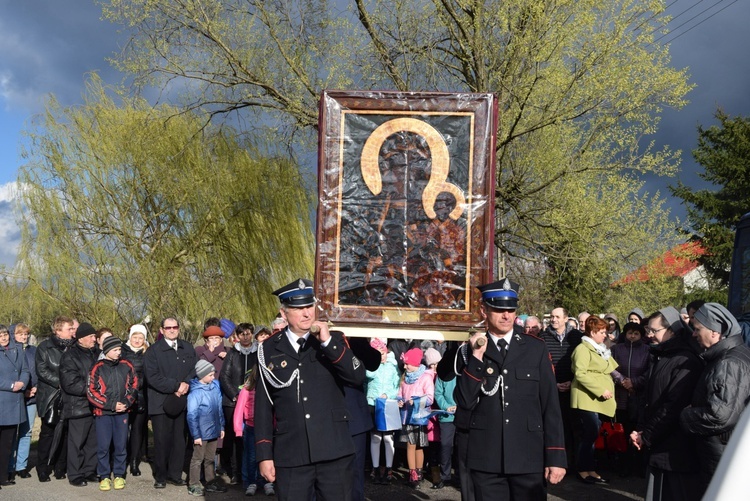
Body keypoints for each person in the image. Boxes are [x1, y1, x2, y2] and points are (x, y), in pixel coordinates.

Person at [255, 278, 366, 501]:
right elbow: (263, 407)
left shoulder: (333, 341)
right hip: (292, 454)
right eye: (298, 308)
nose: (307, 313)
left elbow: (357, 377)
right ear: (284, 313)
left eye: (309, 306)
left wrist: (327, 343)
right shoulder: (268, 349)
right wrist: (264, 455)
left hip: (334, 450)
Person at [455, 278, 566, 500]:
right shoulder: (469, 350)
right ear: (484, 310)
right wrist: (476, 359)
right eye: (498, 309)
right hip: (487, 458)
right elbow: (464, 401)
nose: (506, 315)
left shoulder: (535, 348)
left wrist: (555, 458)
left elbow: (550, 406)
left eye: (510, 309)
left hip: (528, 456)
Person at [630, 307, 702, 501]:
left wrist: (648, 435)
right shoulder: (660, 355)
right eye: (648, 330)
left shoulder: (686, 360)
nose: (649, 335)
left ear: (671, 330)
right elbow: (649, 398)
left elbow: (673, 405)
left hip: (675, 451)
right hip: (657, 443)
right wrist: (641, 430)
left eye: (654, 331)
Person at [680, 303, 750, 497]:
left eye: (697, 329)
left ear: (714, 332)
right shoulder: (729, 354)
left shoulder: (728, 362)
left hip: (720, 452)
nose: (694, 334)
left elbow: (720, 415)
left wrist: (686, 415)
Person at [144, 317, 197, 489]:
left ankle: (175, 475)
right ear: (162, 330)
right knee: (161, 441)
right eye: (168, 328)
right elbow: (152, 377)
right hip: (161, 403)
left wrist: (185, 385)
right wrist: (175, 386)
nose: (172, 330)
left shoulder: (187, 347)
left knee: (179, 440)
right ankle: (160, 476)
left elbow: (194, 369)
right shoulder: (153, 351)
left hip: (182, 401)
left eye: (175, 327)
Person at [570, 316, 618, 484]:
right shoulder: (582, 349)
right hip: (587, 398)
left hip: (595, 398)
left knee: (592, 434)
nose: (605, 335)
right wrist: (600, 390)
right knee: (588, 434)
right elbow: (580, 374)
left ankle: (590, 469)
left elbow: (611, 368)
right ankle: (583, 469)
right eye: (602, 332)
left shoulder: (599, 348)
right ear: (592, 332)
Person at [87, 336, 138, 491]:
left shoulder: (126, 365)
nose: (118, 353)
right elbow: (91, 391)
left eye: (119, 349)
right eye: (115, 350)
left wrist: (127, 403)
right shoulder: (98, 367)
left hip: (122, 412)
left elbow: (134, 385)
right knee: (103, 446)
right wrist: (110, 405)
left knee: (121, 445)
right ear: (107, 351)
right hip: (103, 413)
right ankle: (103, 476)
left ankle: (119, 474)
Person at [35, 316, 77, 482]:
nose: (73, 332)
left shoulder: (74, 347)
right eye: (69, 329)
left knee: (66, 432)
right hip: (51, 395)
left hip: (70, 395)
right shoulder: (44, 347)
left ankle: (60, 467)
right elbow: (42, 370)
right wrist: (61, 383)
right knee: (48, 433)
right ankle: (43, 467)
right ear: (58, 331)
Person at [540, 306, 582, 465]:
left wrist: (573, 381)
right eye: (552, 316)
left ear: (566, 318)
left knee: (573, 427)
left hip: (574, 387)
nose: (554, 320)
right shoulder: (543, 337)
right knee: (554, 426)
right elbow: (542, 364)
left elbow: (582, 362)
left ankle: (572, 463)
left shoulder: (577, 337)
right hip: (552, 388)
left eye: (557, 317)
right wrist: (553, 384)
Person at [60, 322, 100, 487]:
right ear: (81, 338)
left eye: (94, 336)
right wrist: (93, 391)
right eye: (91, 337)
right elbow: (70, 383)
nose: (94, 339)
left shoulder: (98, 353)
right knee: (77, 442)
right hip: (78, 405)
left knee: (93, 441)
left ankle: (89, 470)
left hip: (96, 406)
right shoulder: (70, 356)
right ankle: (75, 474)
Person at [219, 322, 258, 487]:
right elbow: (224, 376)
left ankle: (254, 474)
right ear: (238, 336)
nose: (246, 337)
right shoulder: (233, 353)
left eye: (248, 334)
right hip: (233, 402)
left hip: (254, 401)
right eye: (242, 334)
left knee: (253, 438)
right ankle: (236, 473)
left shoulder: (259, 352)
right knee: (236, 438)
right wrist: (235, 395)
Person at [610, 321, 650, 475]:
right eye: (630, 333)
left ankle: (637, 466)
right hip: (620, 397)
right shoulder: (616, 349)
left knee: (637, 431)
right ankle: (621, 465)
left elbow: (649, 372)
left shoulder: (647, 351)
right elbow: (610, 368)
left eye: (636, 333)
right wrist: (623, 382)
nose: (632, 336)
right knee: (621, 431)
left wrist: (634, 382)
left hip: (638, 397)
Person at [187, 359, 228, 496]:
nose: (213, 377)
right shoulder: (195, 393)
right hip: (201, 432)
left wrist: (221, 426)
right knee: (197, 459)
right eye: (210, 375)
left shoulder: (214, 388)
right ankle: (194, 483)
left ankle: (210, 481)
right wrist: (196, 435)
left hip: (214, 430)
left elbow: (219, 410)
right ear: (201, 375)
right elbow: (191, 415)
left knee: (211, 458)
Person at [234, 364, 274, 496]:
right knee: (251, 456)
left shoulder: (270, 389)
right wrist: (238, 429)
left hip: (267, 427)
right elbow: (239, 410)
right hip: (251, 427)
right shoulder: (246, 390)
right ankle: (251, 481)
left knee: (267, 455)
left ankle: (267, 481)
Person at [397, 347, 434, 489]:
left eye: (407, 364)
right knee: (410, 445)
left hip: (419, 417)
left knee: (419, 446)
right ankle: (413, 473)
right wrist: (400, 400)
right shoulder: (405, 378)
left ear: (415, 364)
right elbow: (400, 392)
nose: (405, 366)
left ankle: (418, 472)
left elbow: (430, 398)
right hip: (407, 416)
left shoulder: (425, 377)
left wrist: (417, 401)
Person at [365, 338, 400, 485]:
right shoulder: (371, 367)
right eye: (378, 354)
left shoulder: (393, 367)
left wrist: (389, 395)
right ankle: (375, 467)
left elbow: (397, 385)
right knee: (375, 438)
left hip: (388, 404)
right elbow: (367, 377)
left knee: (388, 438)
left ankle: (389, 469)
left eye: (383, 353)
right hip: (373, 403)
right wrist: (374, 364)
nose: (382, 357)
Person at [0, 324, 30, 490]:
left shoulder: (16, 350)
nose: (4, 338)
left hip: (13, 403)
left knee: (7, 443)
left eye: (5, 334)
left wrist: (22, 383)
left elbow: (25, 370)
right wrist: (12, 385)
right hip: (2, 399)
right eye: (0, 336)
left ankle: (3, 476)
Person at [9, 323, 37, 480]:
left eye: (26, 334)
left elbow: (38, 370)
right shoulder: (10, 351)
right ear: (14, 334)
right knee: (12, 433)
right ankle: (9, 465)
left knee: (26, 432)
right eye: (21, 334)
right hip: (16, 396)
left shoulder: (33, 350)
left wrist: (36, 387)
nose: (24, 337)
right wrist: (23, 389)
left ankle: (21, 466)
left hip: (32, 397)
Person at [122, 324, 149, 476]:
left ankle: (134, 461)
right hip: (124, 396)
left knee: (137, 431)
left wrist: (139, 385)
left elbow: (149, 374)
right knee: (123, 430)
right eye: (135, 337)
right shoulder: (122, 351)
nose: (137, 341)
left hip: (141, 396)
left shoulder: (147, 353)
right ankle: (121, 460)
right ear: (130, 337)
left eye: (141, 338)